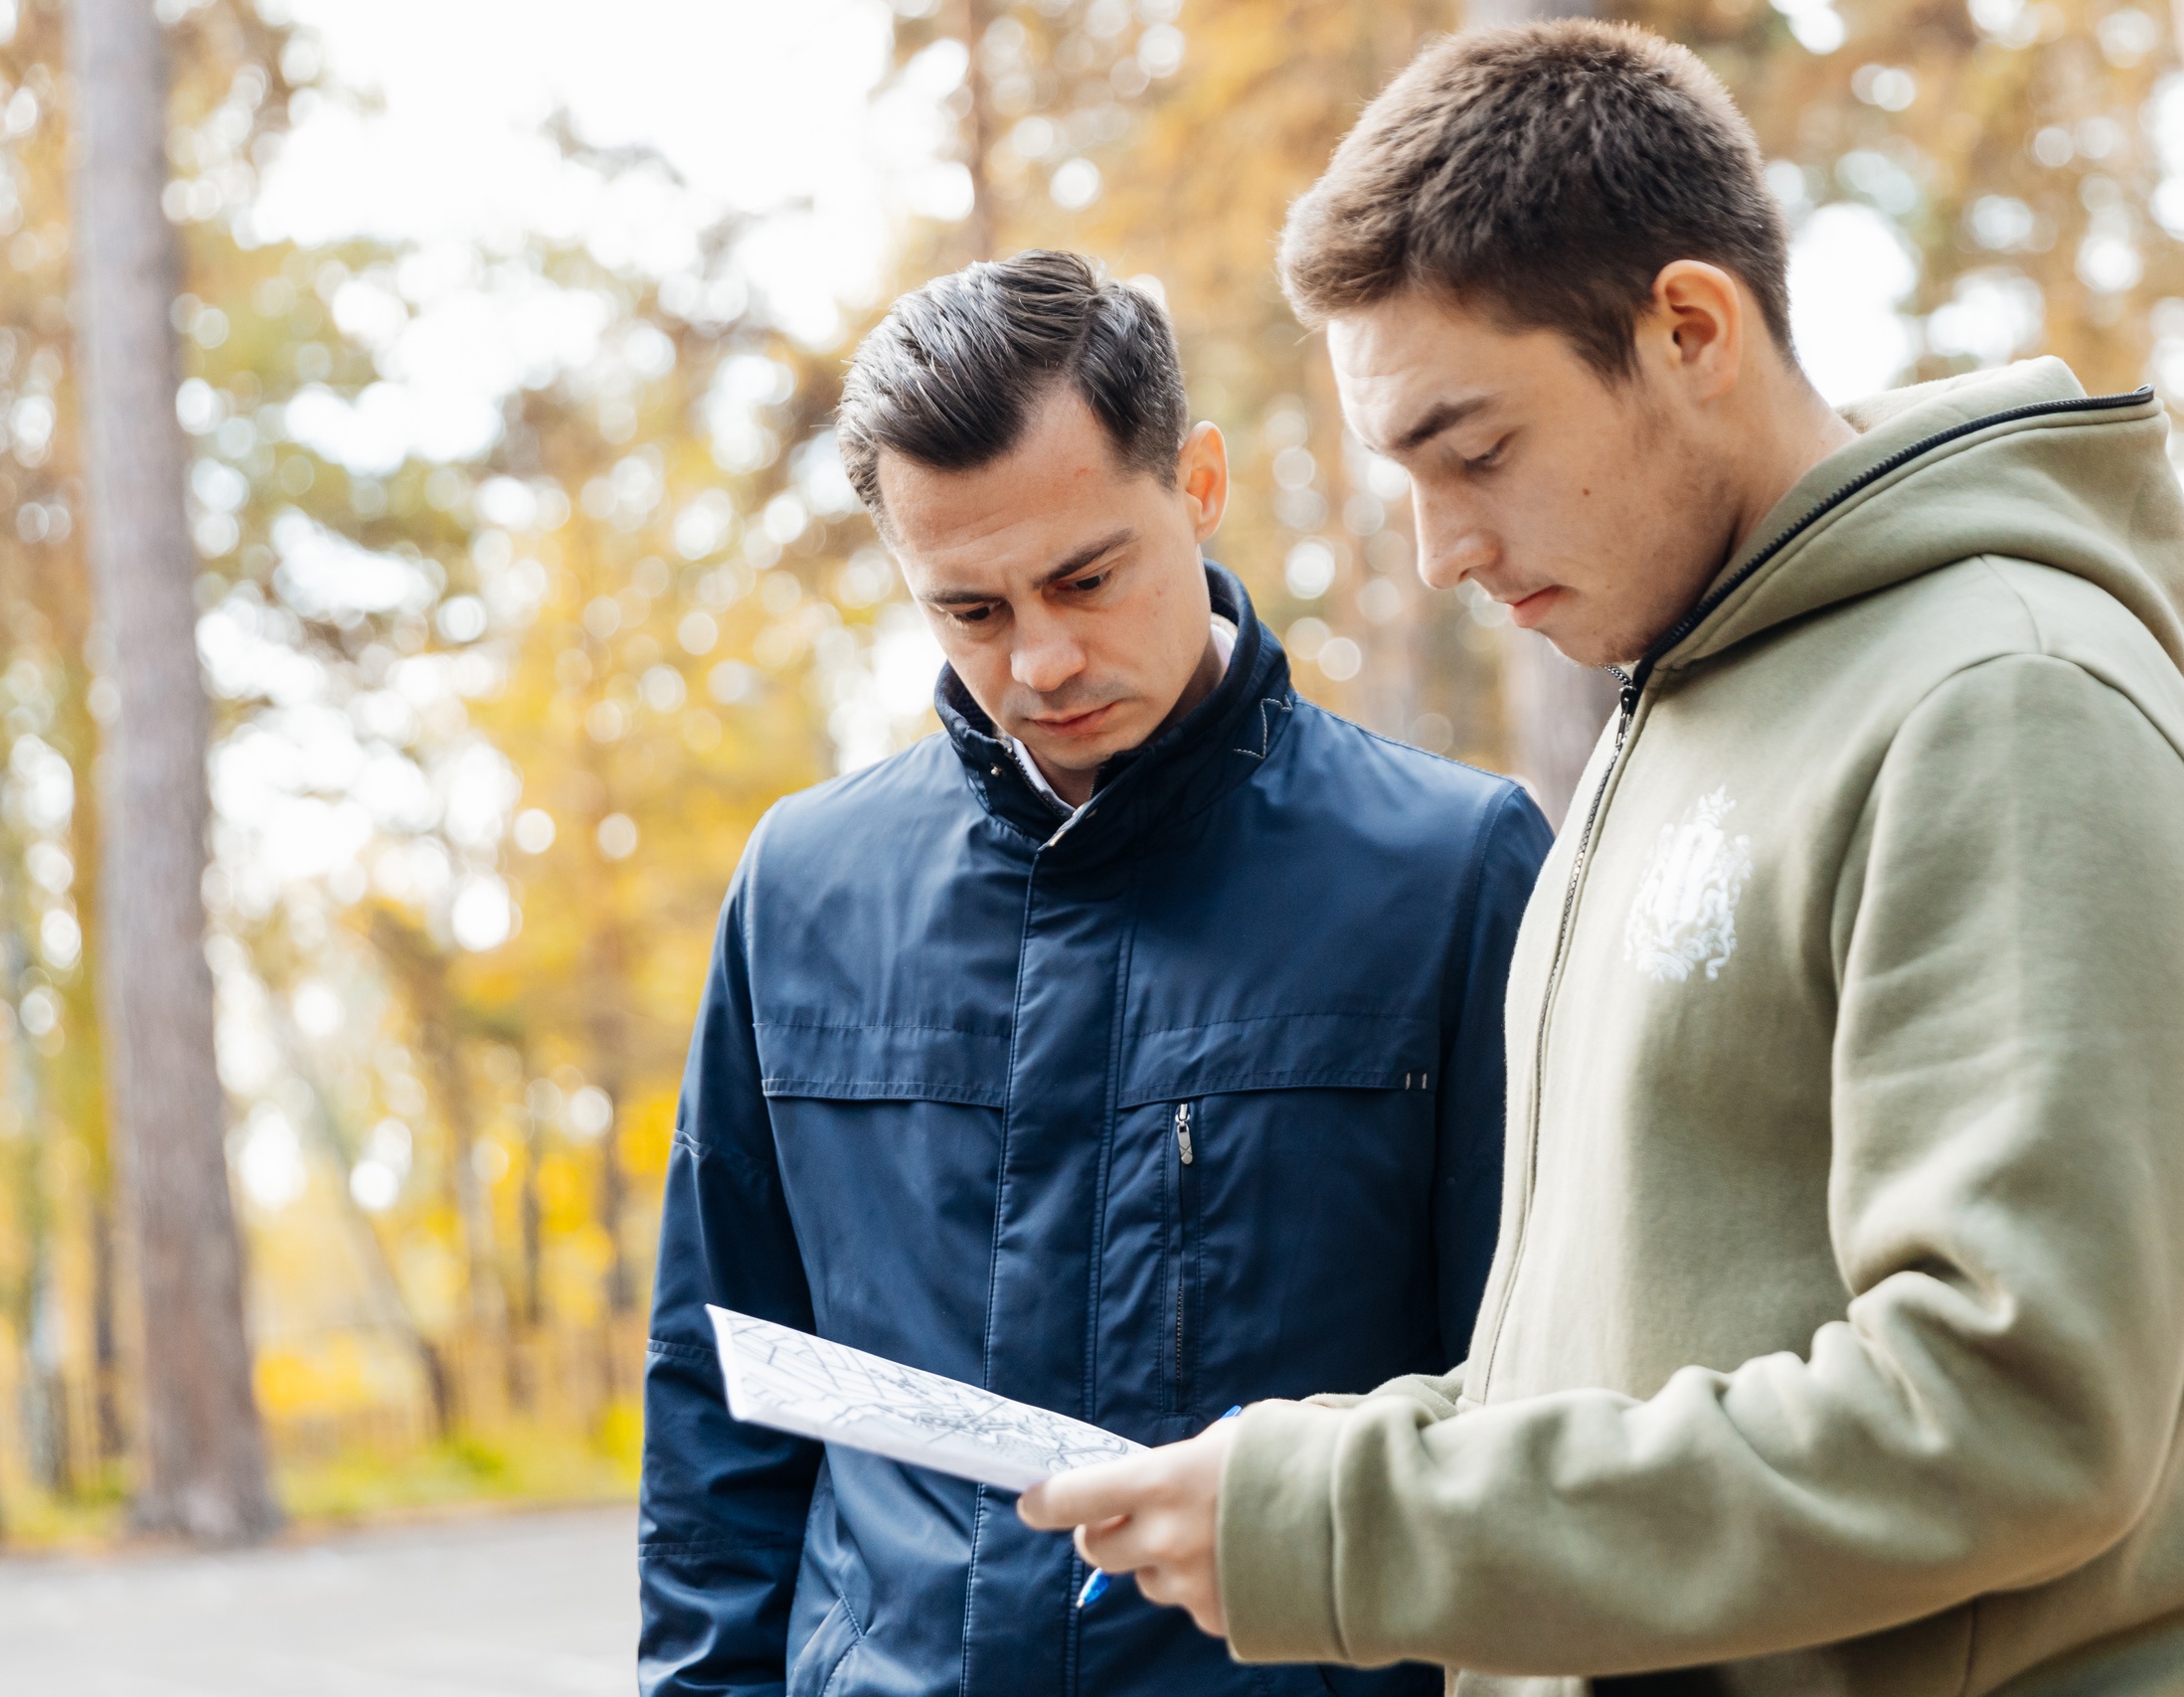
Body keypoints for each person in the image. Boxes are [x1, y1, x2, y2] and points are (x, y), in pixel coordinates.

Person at [1019, 22, 2184, 1697]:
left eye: (1474, 451)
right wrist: (1318, 1468)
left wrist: (1362, 1526)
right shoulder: (1690, 706)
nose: (1438, 549)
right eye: (1402, 477)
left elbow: (2013, 1410)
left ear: (1689, 327)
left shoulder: (2007, 705)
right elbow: (1616, 1362)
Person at [637, 250, 1553, 1696]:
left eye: (1086, 576)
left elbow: (1530, 1408)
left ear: (1196, 484)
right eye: (972, 611)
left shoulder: (1453, 873)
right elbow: (718, 1410)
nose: (1044, 661)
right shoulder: (802, 890)